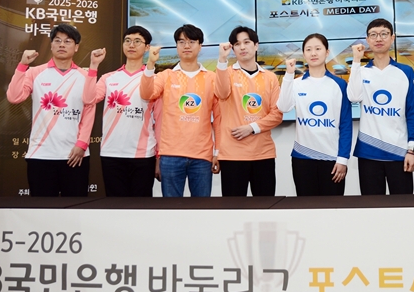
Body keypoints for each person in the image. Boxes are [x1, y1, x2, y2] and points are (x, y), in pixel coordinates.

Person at [6, 24, 98, 197]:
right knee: (43, 209)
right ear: (51, 45)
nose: (62, 44)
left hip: (75, 155)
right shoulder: (35, 72)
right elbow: (14, 97)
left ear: (76, 47)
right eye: (57, 40)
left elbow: (89, 110)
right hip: (41, 155)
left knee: (75, 208)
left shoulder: (86, 76)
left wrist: (82, 144)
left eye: (67, 41)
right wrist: (22, 65)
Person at [139, 24, 219, 197]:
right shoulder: (165, 75)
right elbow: (146, 94)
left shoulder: (212, 78)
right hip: (170, 155)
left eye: (191, 42)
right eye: (181, 42)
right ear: (176, 46)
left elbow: (219, 119)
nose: (186, 46)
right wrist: (150, 64)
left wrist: (217, 152)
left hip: (202, 155)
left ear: (200, 46)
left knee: (202, 208)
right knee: (171, 209)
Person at [347, 18, 414, 195]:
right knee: (371, 208)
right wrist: (356, 61)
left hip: (399, 153)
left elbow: (413, 112)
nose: (378, 38)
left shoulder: (406, 71)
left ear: (392, 38)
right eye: (373, 35)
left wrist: (412, 150)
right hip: (368, 152)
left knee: (403, 207)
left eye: (384, 34)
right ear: (367, 40)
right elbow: (353, 97)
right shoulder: (361, 71)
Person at [86, 26, 159, 197]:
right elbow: (89, 99)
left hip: (143, 154)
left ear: (147, 47)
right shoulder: (108, 78)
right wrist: (93, 66)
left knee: (141, 207)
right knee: (115, 206)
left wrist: (159, 156)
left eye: (137, 41)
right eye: (127, 41)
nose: (131, 45)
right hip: (112, 152)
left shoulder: (154, 79)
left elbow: (160, 120)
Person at [277, 33, 353, 196]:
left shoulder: (339, 84)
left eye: (318, 49)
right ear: (304, 54)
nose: (313, 53)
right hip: (302, 158)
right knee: (305, 207)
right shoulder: (296, 83)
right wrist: (288, 75)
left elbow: (346, 125)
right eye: (309, 49)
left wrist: (343, 159)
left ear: (327, 52)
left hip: (332, 160)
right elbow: (283, 107)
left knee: (333, 207)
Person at [215, 26, 283, 196]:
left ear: (256, 45)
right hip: (233, 155)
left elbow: (277, 114)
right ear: (233, 48)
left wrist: (252, 128)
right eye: (237, 44)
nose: (242, 47)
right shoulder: (226, 73)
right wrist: (222, 60)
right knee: (233, 208)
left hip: (263, 154)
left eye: (246, 42)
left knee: (265, 206)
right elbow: (221, 93)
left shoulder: (270, 77)